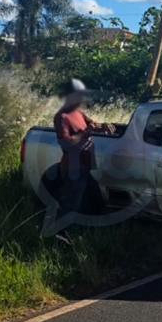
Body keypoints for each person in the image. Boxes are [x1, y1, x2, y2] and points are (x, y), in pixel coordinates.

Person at [53, 78, 110, 231]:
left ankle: (79, 233)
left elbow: (93, 124)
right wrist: (85, 132)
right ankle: (61, 236)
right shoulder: (62, 117)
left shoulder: (78, 113)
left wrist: (103, 126)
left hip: (84, 166)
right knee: (71, 206)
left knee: (91, 202)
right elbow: (66, 143)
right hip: (73, 169)